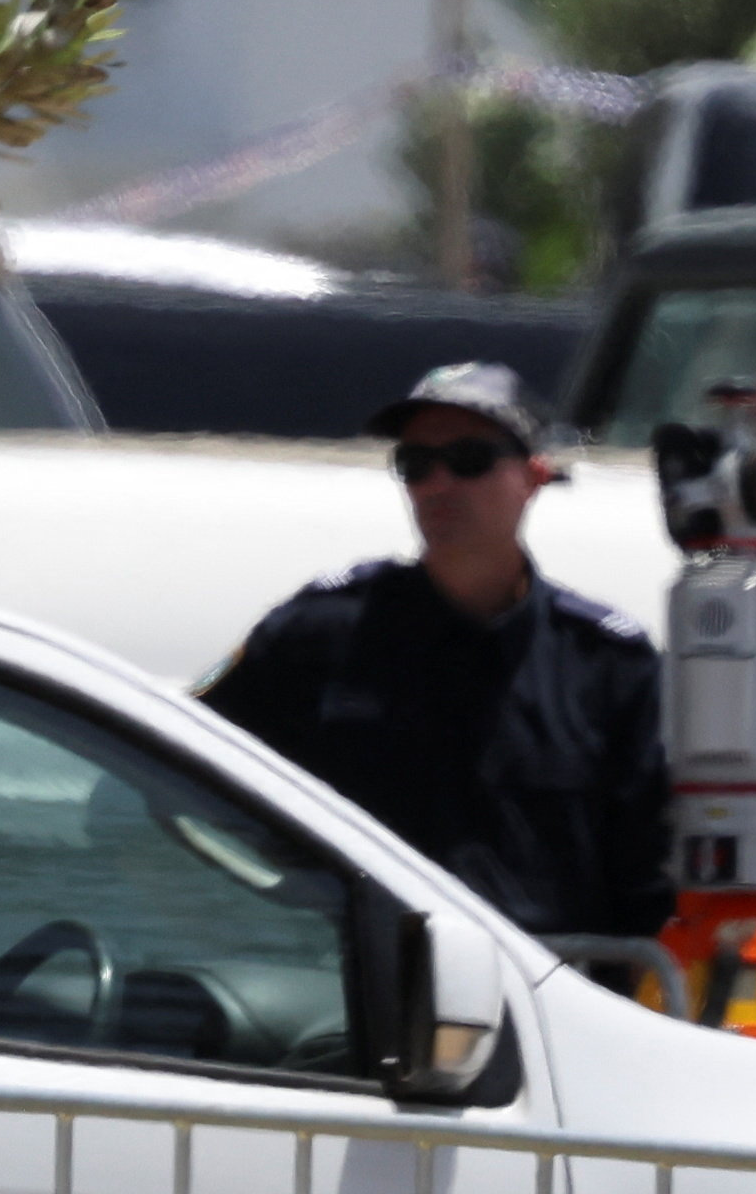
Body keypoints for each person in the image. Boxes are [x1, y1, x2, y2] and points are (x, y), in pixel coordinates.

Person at [202, 359, 673, 951]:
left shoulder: (607, 664)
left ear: (533, 477)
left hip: (545, 1001)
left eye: (470, 460)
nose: (438, 485)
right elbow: (193, 783)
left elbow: (649, 880)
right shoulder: (316, 635)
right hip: (355, 997)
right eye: (415, 465)